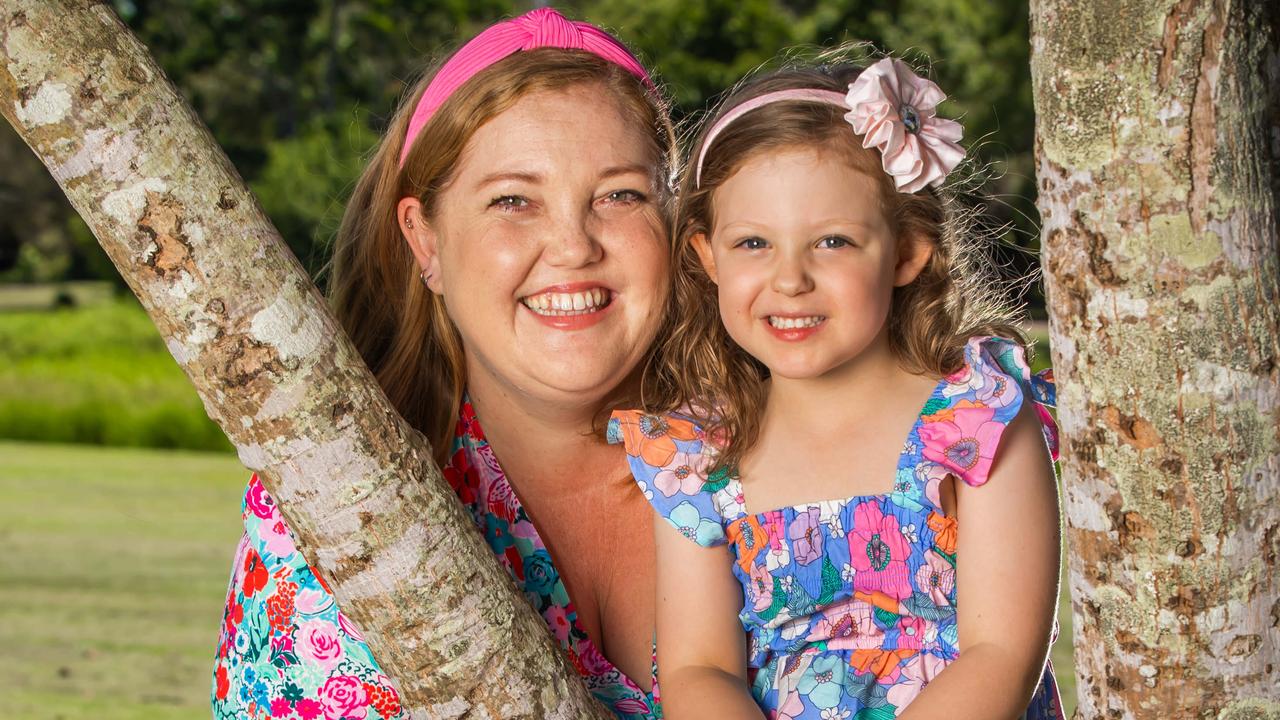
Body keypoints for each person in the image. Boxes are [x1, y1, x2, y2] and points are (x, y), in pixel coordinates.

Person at [212, 8, 675, 719]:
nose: (574, 246)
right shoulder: (338, 508)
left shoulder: (768, 459)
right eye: (512, 201)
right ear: (424, 240)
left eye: (621, 195)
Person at [610, 56, 1064, 719]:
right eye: (754, 243)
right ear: (708, 259)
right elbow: (698, 669)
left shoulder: (977, 422)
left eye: (832, 241)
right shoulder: (701, 458)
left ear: (908, 251)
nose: (790, 279)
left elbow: (1000, 656)